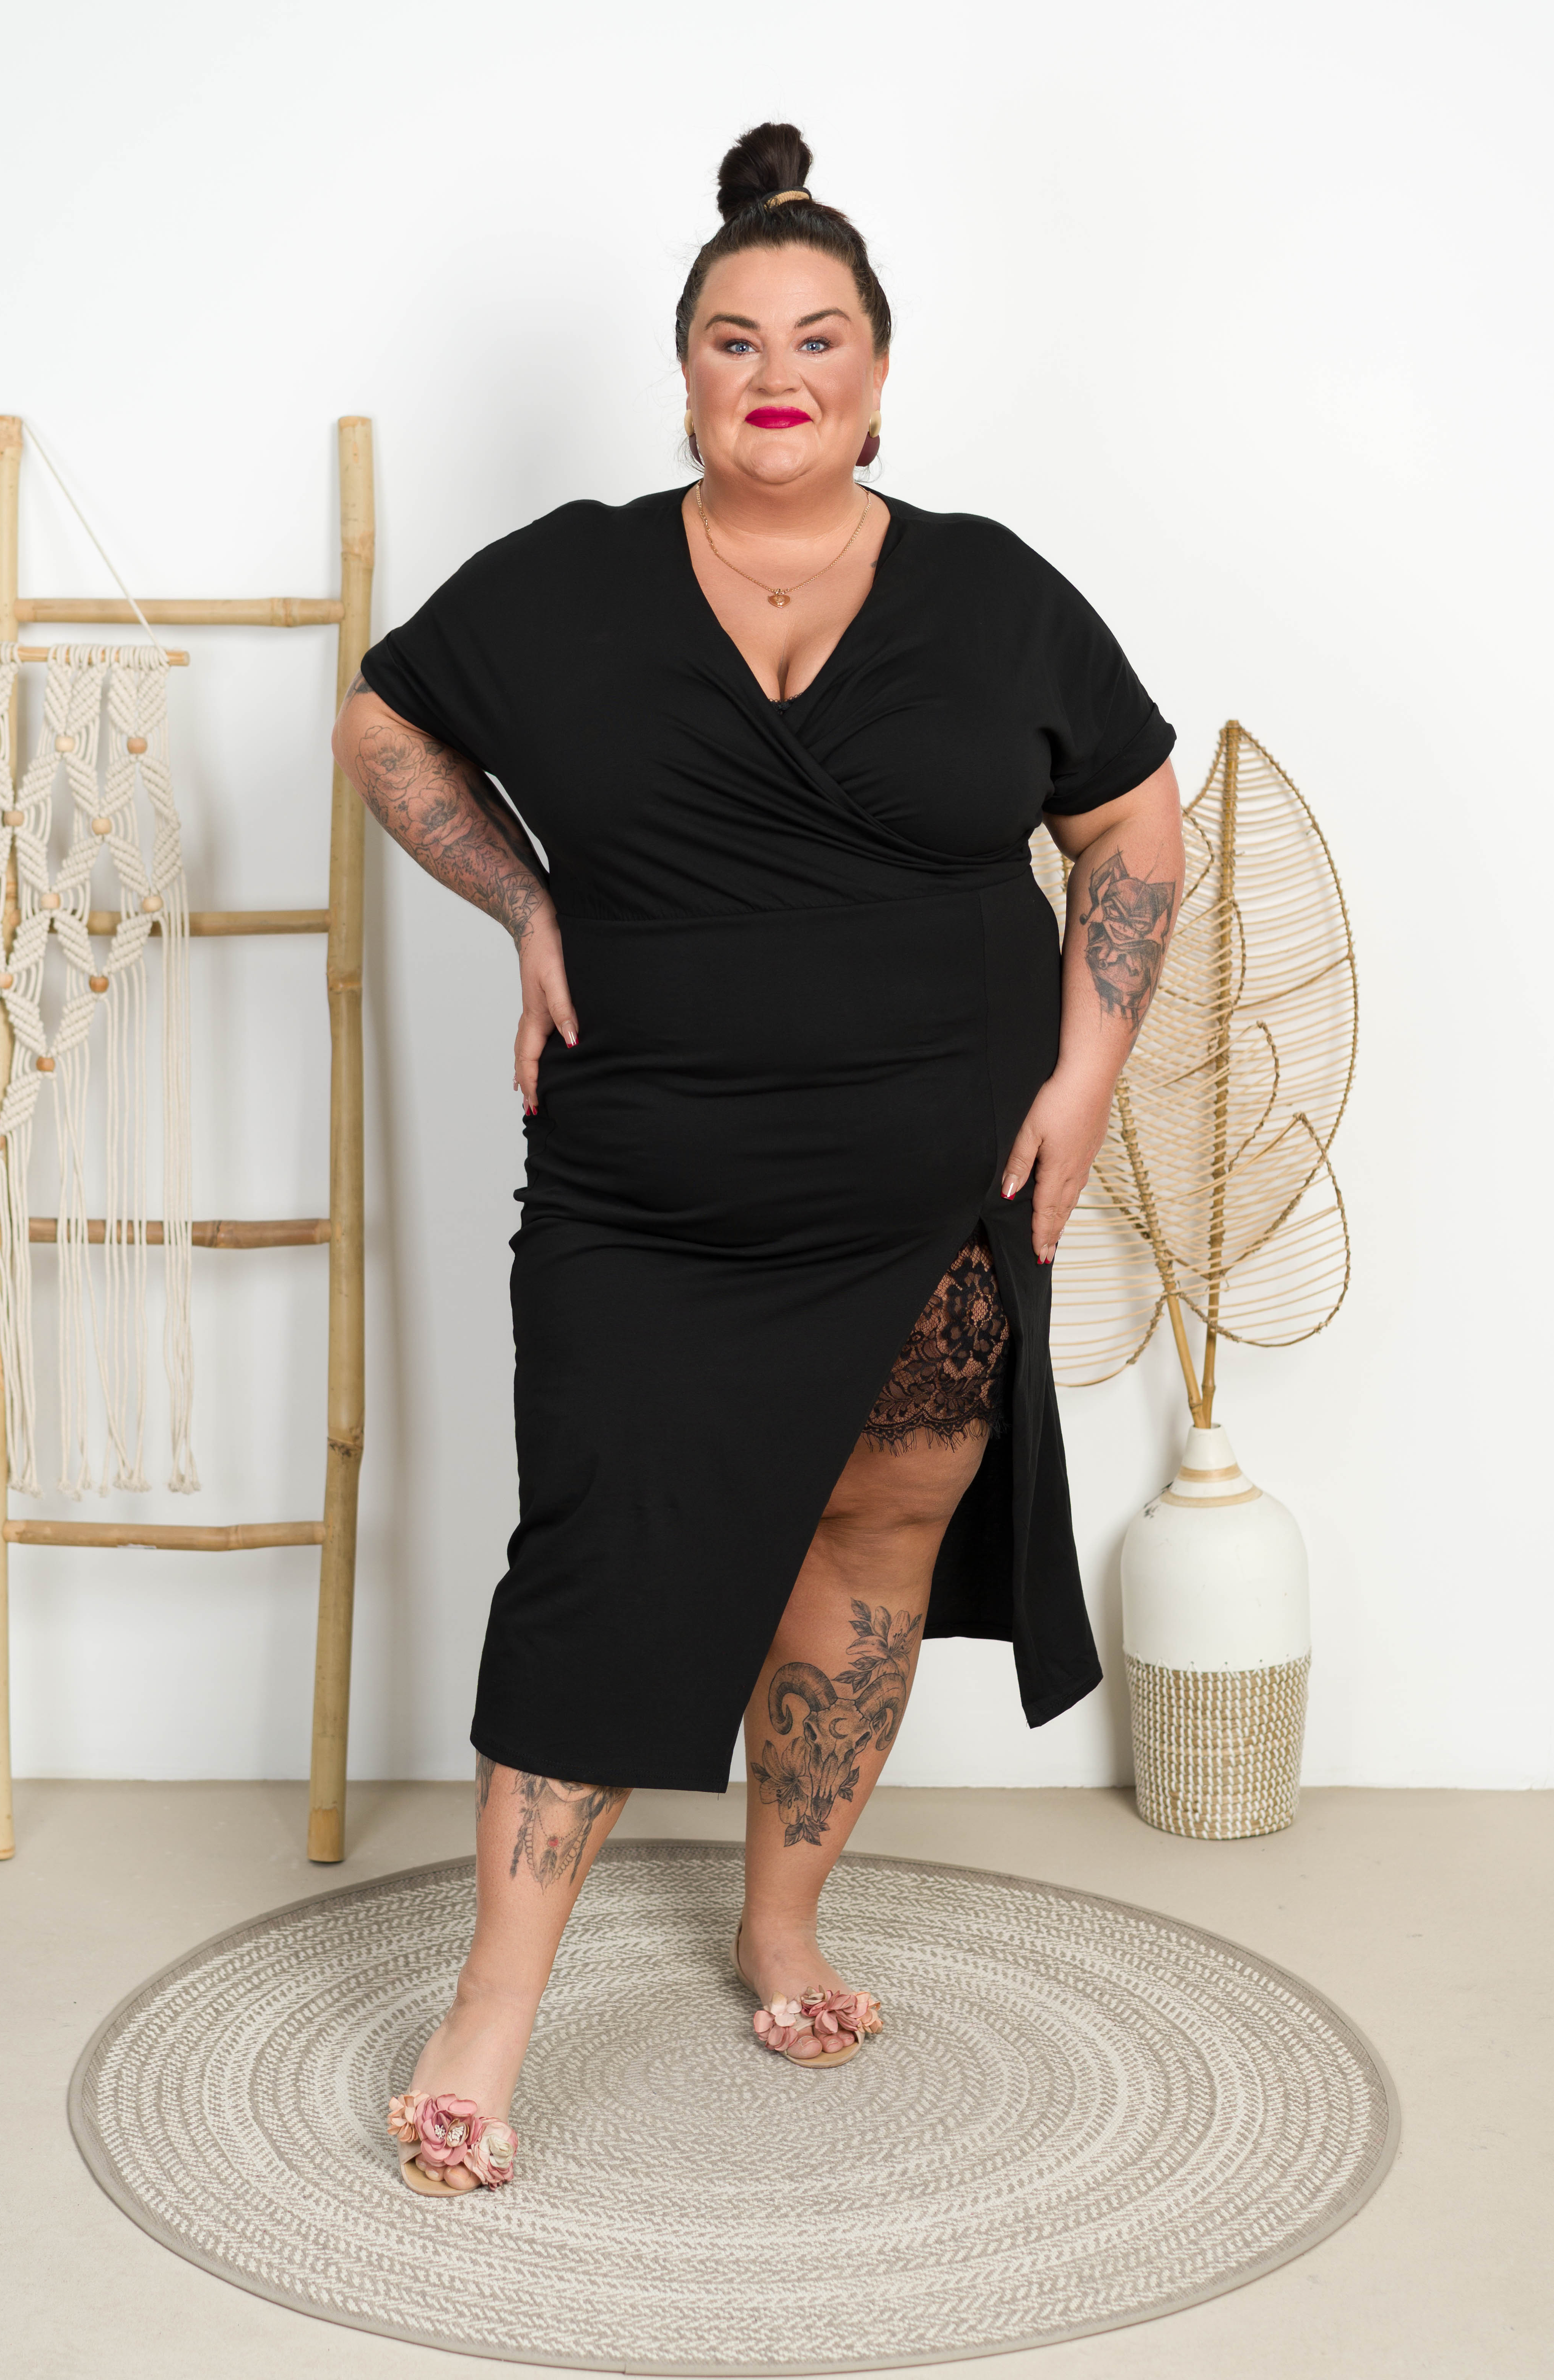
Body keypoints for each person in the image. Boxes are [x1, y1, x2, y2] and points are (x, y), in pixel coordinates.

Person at [335, 122, 1184, 2196]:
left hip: (932, 1183)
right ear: (688, 374)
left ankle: (783, 1925)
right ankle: (491, 2014)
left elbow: (1132, 826)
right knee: (603, 1554)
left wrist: (1084, 1078)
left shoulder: (993, 591)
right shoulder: (572, 579)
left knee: (876, 1535)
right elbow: (382, 728)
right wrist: (527, 902)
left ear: (880, 373)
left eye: (818, 338)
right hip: (650, 1183)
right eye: (735, 338)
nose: (776, 373)